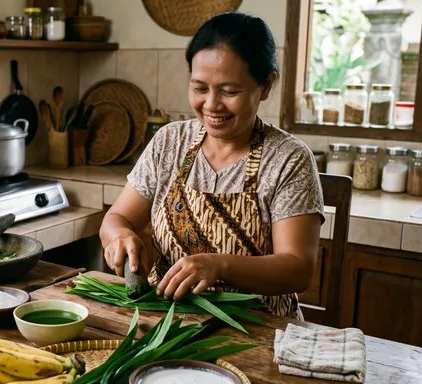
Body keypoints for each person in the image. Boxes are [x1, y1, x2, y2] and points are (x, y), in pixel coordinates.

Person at [99, 12, 324, 320]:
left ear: (266, 85)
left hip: (258, 329)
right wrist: (119, 236)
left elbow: (297, 269)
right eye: (200, 88)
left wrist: (219, 265)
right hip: (167, 323)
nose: (212, 105)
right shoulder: (170, 142)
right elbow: (117, 217)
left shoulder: (289, 158)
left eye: (230, 91)